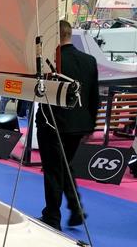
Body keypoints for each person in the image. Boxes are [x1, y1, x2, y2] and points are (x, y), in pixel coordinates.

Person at [36, 20, 99, 231]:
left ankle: (52, 216)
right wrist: (91, 125)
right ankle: (75, 207)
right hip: (80, 124)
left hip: (53, 124)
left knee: (54, 169)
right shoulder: (89, 61)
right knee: (64, 165)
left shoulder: (50, 63)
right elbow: (94, 96)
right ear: (70, 34)